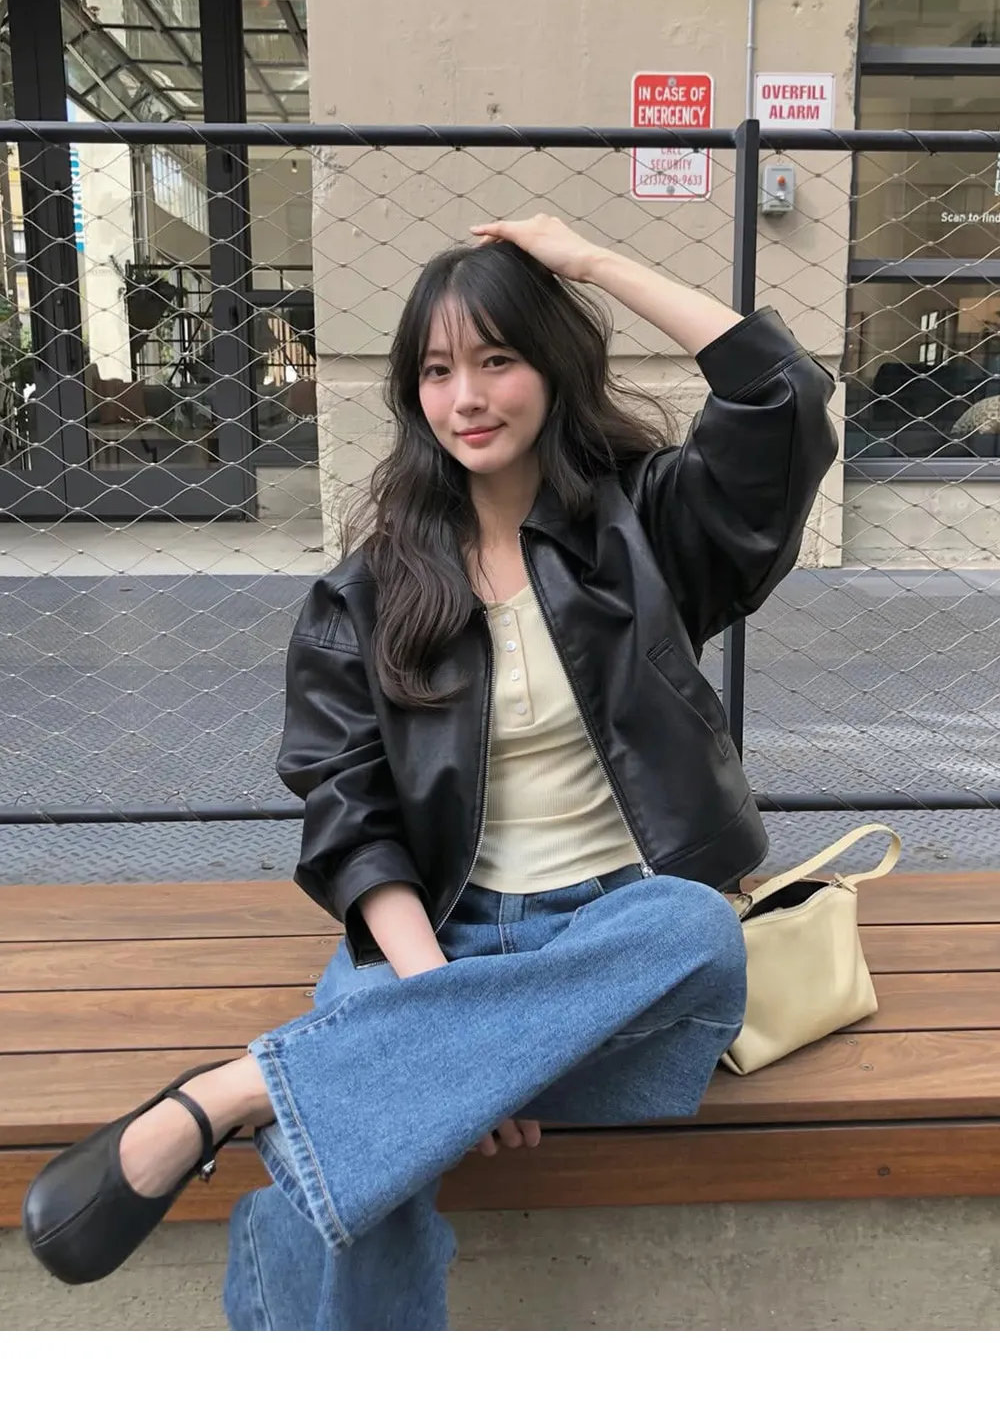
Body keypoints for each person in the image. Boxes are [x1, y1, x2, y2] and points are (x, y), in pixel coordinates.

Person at [23, 214, 838, 1328]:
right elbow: (351, 821)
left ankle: (236, 1091)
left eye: (497, 360)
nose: (468, 398)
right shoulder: (364, 596)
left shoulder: (649, 528)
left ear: (552, 366)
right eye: (439, 371)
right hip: (437, 937)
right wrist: (446, 1023)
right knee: (378, 1154)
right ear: (413, 394)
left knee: (697, 929)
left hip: (618, 935)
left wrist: (591, 262)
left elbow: (781, 394)